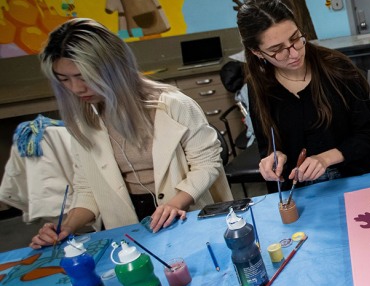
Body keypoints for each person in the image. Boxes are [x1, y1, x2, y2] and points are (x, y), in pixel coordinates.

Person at [31, 18, 232, 248]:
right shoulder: (84, 121)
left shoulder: (173, 106)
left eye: (83, 76)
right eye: (64, 79)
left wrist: (175, 204)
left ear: (113, 68)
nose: (76, 88)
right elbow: (88, 188)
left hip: (183, 211)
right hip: (125, 227)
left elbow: (207, 163)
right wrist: (66, 226)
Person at [236, 0, 370, 188]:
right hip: (300, 192)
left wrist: (325, 159)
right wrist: (273, 157)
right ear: (257, 52)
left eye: (296, 38)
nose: (294, 53)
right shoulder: (260, 88)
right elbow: (268, 147)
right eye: (278, 50)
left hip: (356, 180)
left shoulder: (337, 69)